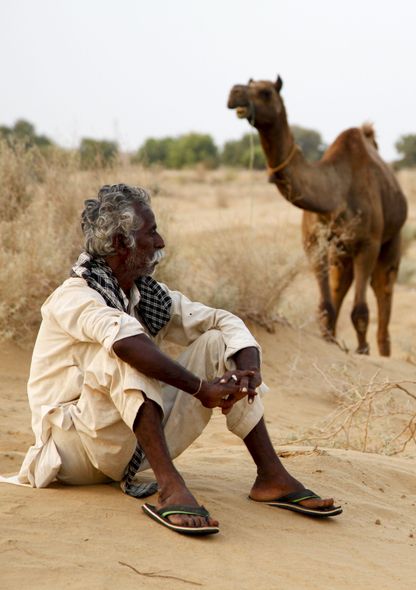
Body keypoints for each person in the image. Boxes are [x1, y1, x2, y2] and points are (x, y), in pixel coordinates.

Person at [12, 183, 341, 536]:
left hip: (126, 452)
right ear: (122, 243)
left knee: (217, 341)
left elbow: (222, 321)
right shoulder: (74, 297)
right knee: (124, 351)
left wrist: (249, 370)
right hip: (74, 451)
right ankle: (170, 488)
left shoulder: (146, 295)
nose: (160, 241)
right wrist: (200, 389)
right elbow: (125, 343)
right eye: (151, 232)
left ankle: (271, 476)